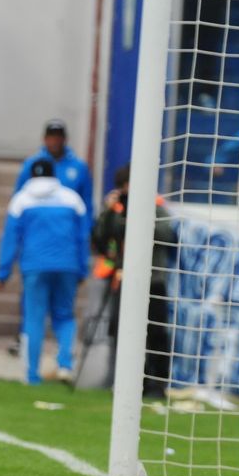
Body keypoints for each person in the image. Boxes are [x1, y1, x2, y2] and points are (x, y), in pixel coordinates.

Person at [0, 159, 88, 385]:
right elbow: (83, 236)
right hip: (67, 265)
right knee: (65, 316)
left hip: (35, 266)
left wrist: (3, 271)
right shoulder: (72, 198)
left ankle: (32, 374)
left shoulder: (21, 200)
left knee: (34, 319)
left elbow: (11, 238)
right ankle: (65, 364)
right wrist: (82, 268)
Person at [92, 163, 175, 399]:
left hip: (153, 279)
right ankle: (126, 380)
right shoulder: (115, 209)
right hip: (123, 278)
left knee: (155, 332)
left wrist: (139, 218)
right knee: (122, 331)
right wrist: (110, 211)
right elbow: (100, 237)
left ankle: (157, 383)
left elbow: (167, 235)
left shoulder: (156, 206)